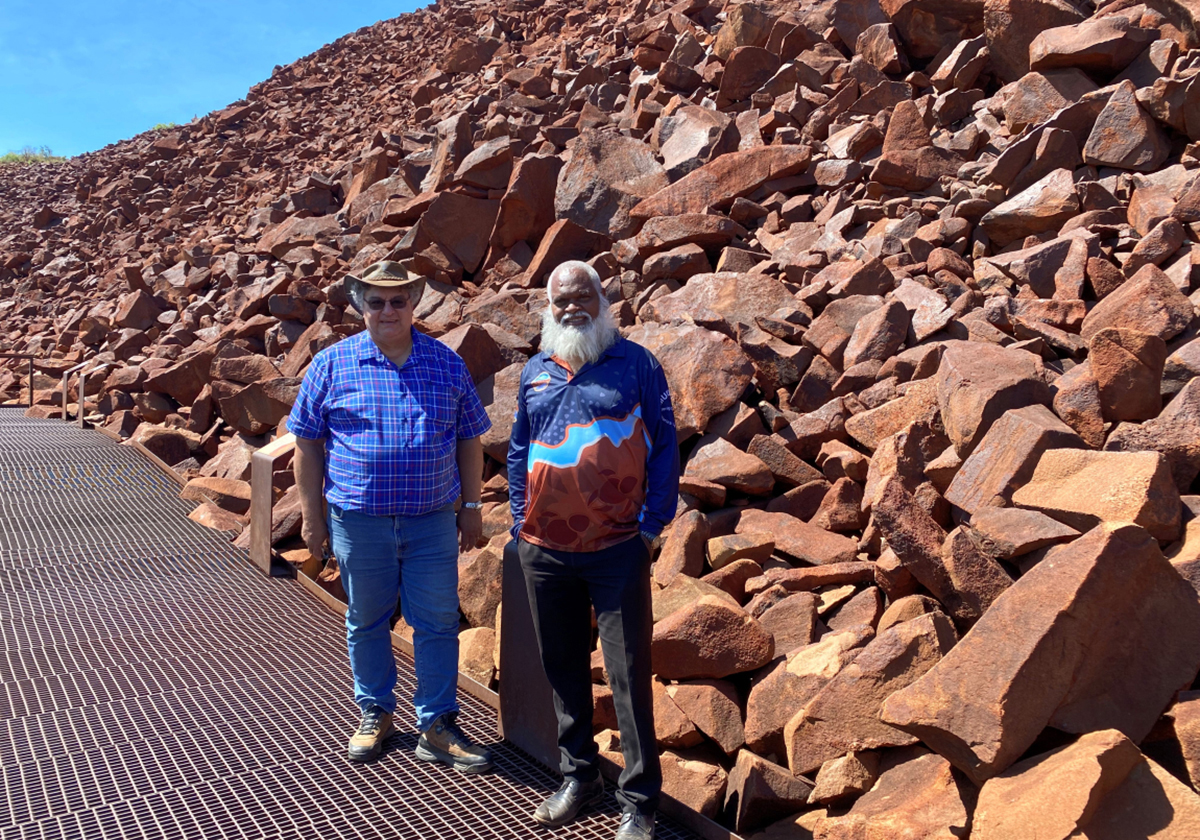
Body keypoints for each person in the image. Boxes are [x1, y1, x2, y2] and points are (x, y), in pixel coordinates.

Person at [290, 259, 494, 772]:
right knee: (365, 620)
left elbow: (470, 436)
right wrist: (312, 519)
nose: (387, 310)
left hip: (431, 523)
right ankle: (375, 711)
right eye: (376, 300)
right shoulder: (331, 365)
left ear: (413, 304)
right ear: (361, 305)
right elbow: (307, 445)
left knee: (437, 623)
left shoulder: (446, 364)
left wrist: (471, 506)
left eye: (398, 300)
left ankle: (438, 724)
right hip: (360, 522)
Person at [508, 260, 680, 840]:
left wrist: (653, 526)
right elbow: (517, 449)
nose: (572, 308)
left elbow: (664, 448)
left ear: (603, 302)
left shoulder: (637, 366)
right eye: (562, 302)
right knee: (562, 667)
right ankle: (580, 776)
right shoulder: (535, 371)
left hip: (615, 549)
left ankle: (640, 802)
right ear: (548, 308)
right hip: (546, 551)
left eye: (584, 297)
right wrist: (518, 520)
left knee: (628, 673)